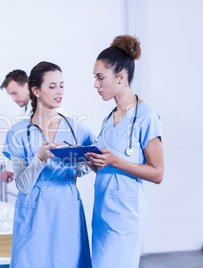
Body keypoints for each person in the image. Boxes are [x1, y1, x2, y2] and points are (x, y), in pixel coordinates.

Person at [3, 61, 93, 267]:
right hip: (34, 211)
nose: (59, 91)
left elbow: (93, 164)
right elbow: (23, 185)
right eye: (52, 86)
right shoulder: (17, 132)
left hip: (66, 207)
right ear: (36, 90)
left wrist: (78, 159)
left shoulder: (76, 127)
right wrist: (40, 158)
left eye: (61, 85)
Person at [86, 35, 164, 268]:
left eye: (100, 78)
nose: (96, 85)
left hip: (126, 214)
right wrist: (89, 159)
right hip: (102, 212)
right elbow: (104, 168)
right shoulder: (109, 119)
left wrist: (115, 161)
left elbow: (158, 173)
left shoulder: (146, 116)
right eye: (95, 78)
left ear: (120, 77)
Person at [0, 70, 31, 184]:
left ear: (26, 86)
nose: (13, 99)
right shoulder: (25, 111)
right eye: (10, 95)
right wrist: (10, 169)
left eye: (14, 93)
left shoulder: (45, 108)